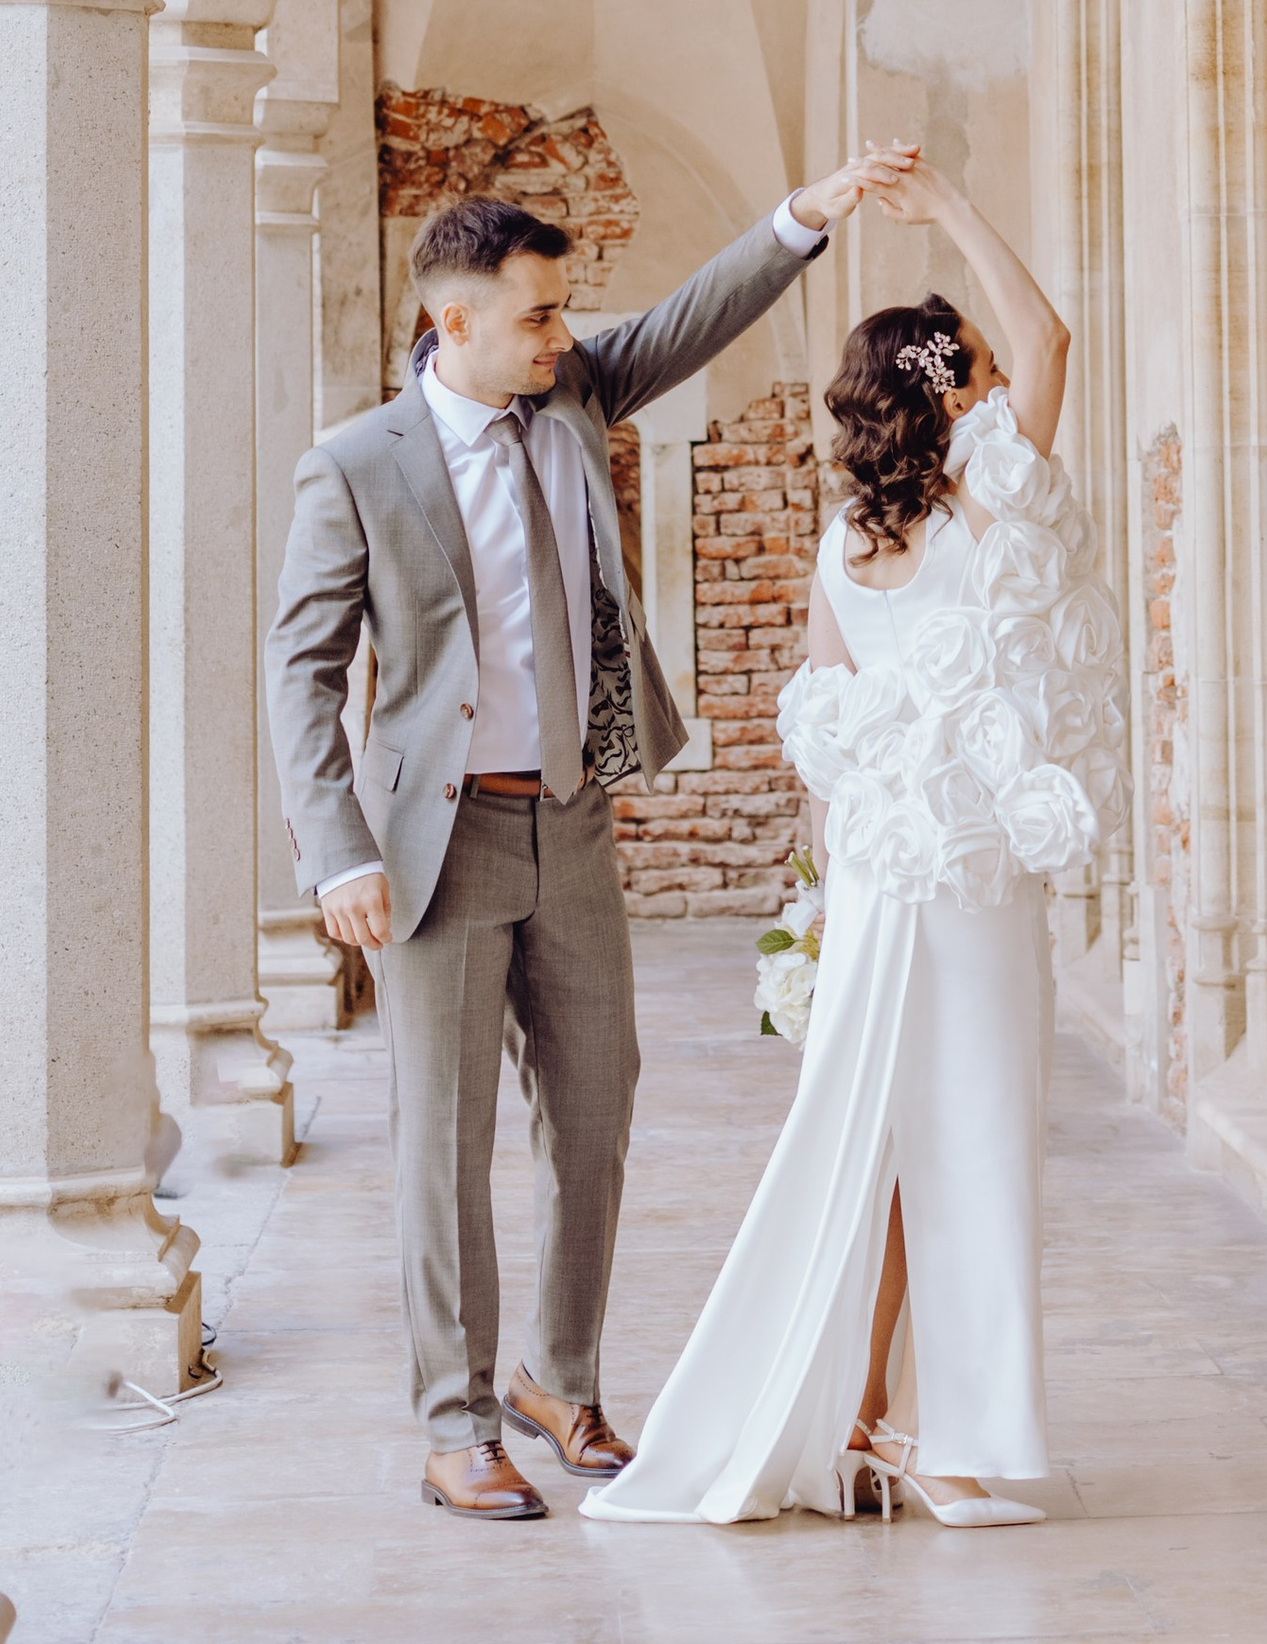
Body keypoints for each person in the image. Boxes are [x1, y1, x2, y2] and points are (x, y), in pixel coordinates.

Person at [264, 150, 913, 1522]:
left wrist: (808, 210)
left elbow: (691, 316)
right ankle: (454, 1423)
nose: (565, 337)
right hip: (437, 850)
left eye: (566, 316)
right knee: (443, 1144)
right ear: (454, 324)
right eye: (541, 316)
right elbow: (301, 670)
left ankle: (558, 1382)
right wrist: (338, 853)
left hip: (572, 818)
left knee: (599, 1113)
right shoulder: (355, 468)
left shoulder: (571, 395)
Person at [584, 159, 1127, 1531]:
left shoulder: (847, 543)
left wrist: (828, 900)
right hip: (965, 886)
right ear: (951, 389)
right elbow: (1054, 336)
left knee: (887, 1145)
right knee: (977, 1138)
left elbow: (818, 740)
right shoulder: (989, 511)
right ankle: (948, 1440)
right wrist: (949, 206)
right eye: (980, 368)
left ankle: (884, 1419)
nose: (1009, 379)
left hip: (885, 876)